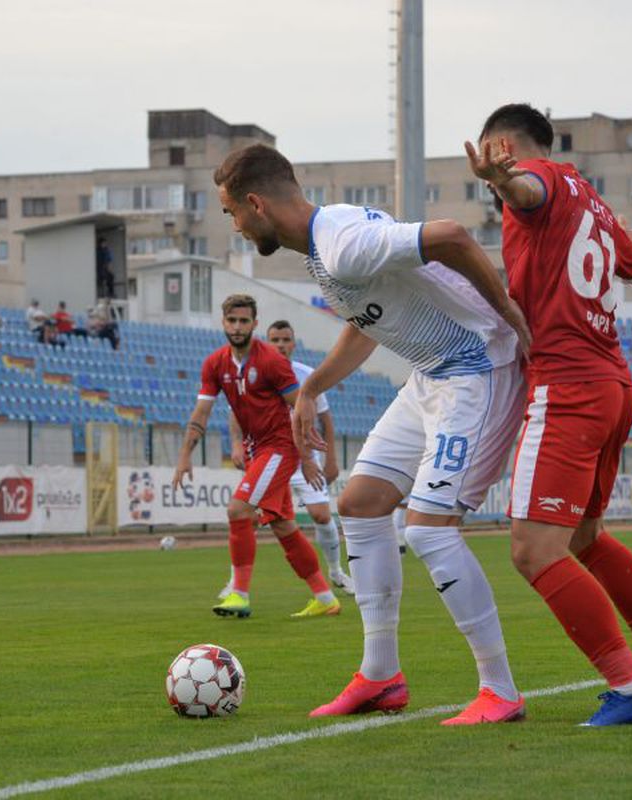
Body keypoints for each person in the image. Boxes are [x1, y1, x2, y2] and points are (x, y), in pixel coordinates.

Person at [215, 143, 532, 725]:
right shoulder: (327, 243)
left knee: (430, 532)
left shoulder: (340, 245)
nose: (233, 224)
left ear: (256, 204)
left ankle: (501, 690)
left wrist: (507, 313)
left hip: (473, 371)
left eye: (231, 211)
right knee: (360, 504)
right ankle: (381, 676)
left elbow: (455, 236)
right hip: (430, 375)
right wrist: (310, 390)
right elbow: (368, 325)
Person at [467, 102, 632, 726]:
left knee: (534, 551)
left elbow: (529, 189)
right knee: (584, 538)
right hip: (613, 384)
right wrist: (630, 243)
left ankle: (629, 685)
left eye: (492, 155)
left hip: (567, 386)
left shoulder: (534, 182)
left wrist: (504, 180)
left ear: (502, 145)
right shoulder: (588, 198)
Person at [171, 294, 340, 620]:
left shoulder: (272, 362)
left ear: (254, 323)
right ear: (223, 323)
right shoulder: (215, 363)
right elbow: (202, 412)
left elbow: (300, 410)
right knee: (283, 525)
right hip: (257, 449)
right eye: (231, 321)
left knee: (238, 509)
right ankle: (324, 596)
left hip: (280, 448)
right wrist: (183, 457)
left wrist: (306, 458)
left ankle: (239, 594)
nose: (237, 327)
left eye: (243, 321)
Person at [221, 319, 354, 596]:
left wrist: (329, 459)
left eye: (285, 340)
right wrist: (236, 444)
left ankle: (336, 572)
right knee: (248, 516)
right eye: (274, 340)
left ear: (294, 344)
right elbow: (236, 412)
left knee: (320, 515)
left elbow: (325, 420)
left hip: (304, 457)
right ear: (266, 343)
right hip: (269, 456)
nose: (280, 345)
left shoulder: (309, 375)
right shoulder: (252, 372)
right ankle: (236, 583)